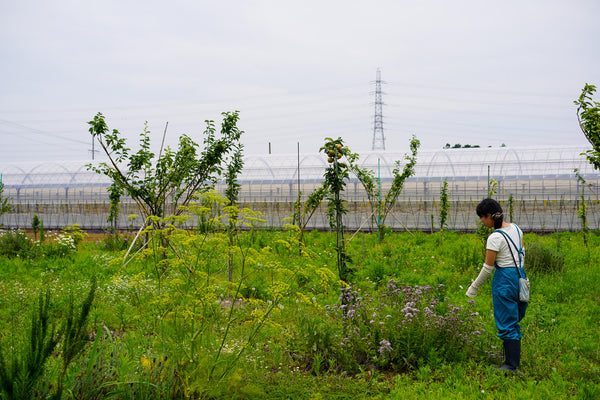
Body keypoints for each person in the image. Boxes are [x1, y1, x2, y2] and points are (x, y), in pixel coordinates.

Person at [466, 198, 527, 372]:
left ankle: (511, 365)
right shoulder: (516, 228)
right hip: (520, 275)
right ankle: (510, 358)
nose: (482, 222)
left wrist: (474, 287)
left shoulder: (495, 237)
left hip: (505, 279)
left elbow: (487, 268)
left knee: (506, 320)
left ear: (489, 217)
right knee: (514, 318)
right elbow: (522, 253)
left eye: (482, 218)